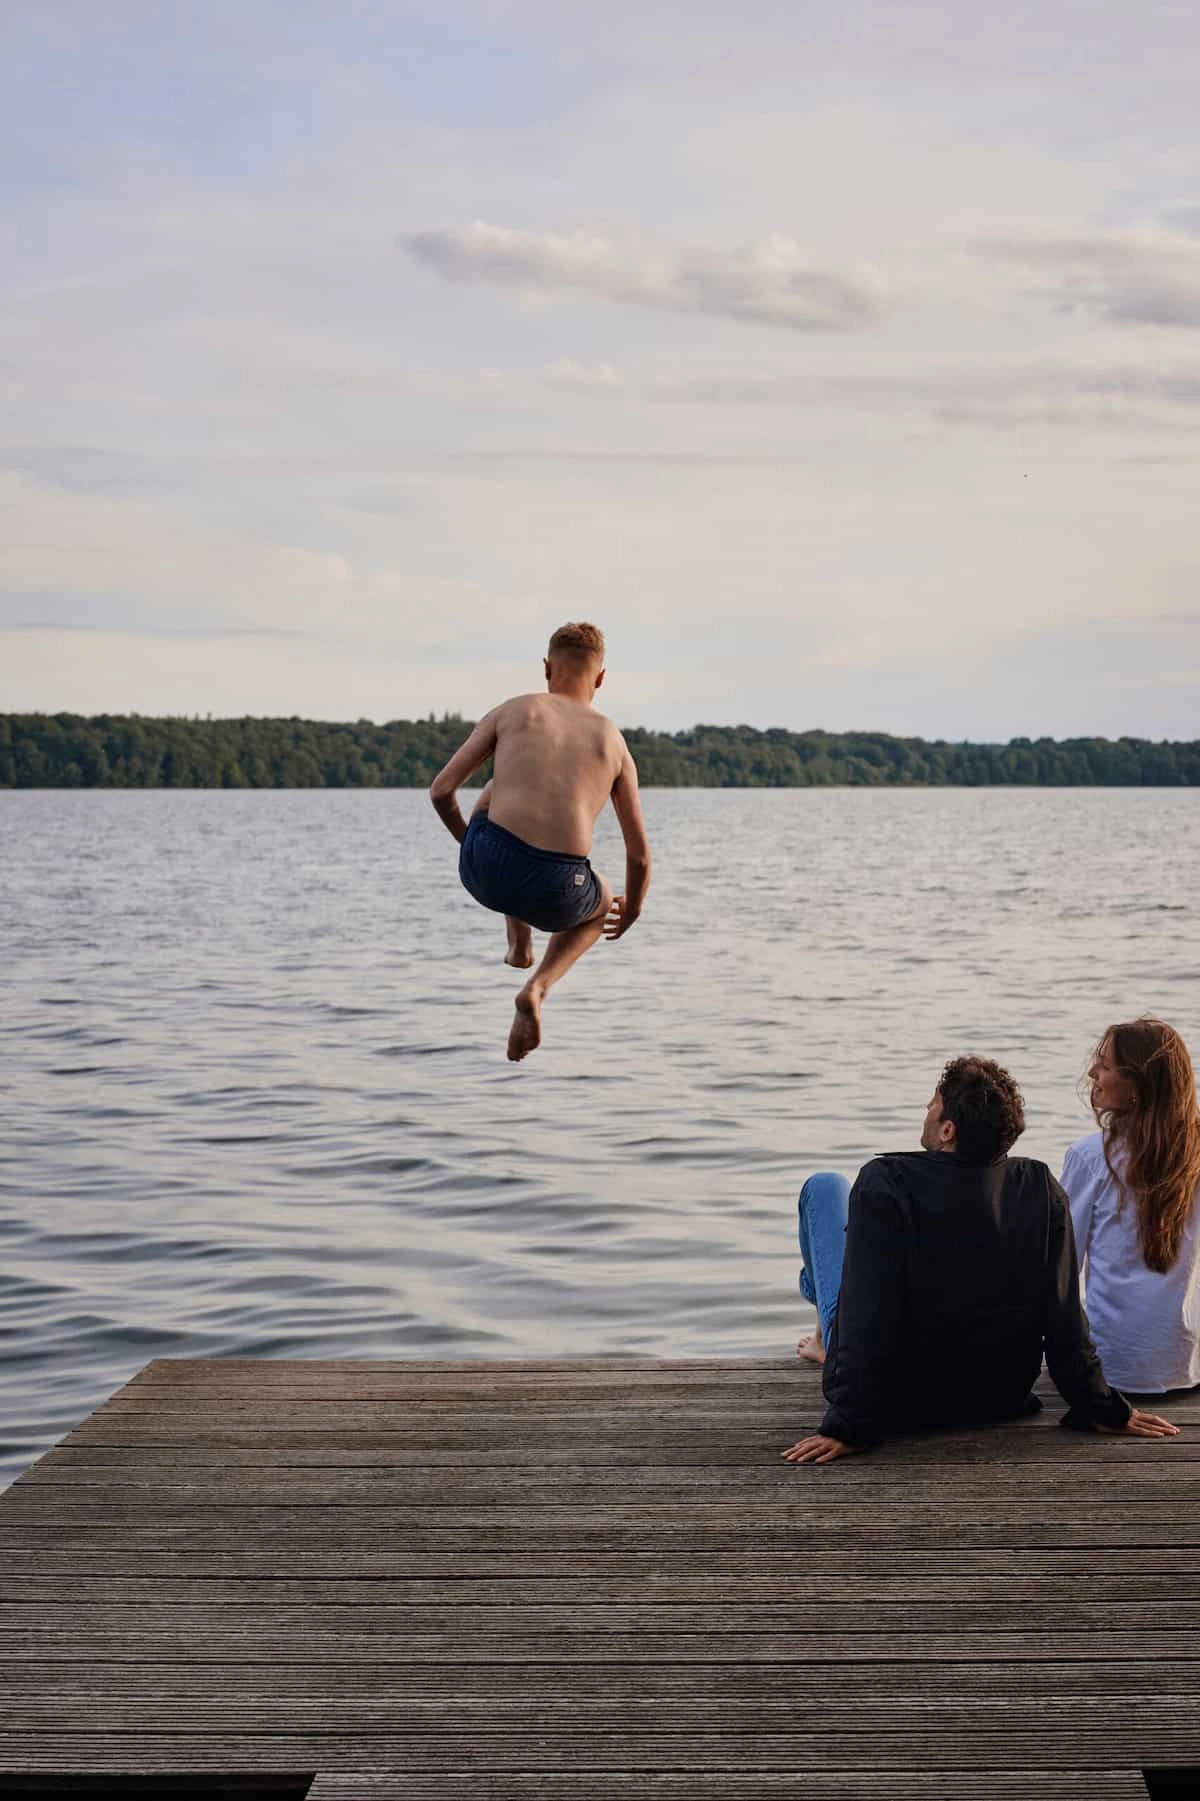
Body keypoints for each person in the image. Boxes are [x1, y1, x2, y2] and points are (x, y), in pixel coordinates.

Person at [783, 1055, 1180, 1465]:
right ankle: (823, 1340)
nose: (926, 1111)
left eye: (932, 1105)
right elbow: (1063, 1315)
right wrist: (1100, 1406)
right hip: (997, 1396)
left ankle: (823, 1340)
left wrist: (849, 1423)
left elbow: (869, 1313)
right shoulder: (1039, 1186)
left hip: (899, 1404)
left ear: (948, 1130)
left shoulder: (886, 1183)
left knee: (824, 1187)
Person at [429, 622, 651, 1062]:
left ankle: (518, 942)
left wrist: (470, 847)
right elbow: (639, 855)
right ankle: (537, 988)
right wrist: (631, 914)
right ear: (601, 679)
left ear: (547, 669)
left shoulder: (515, 710)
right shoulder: (615, 745)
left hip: (486, 867)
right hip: (557, 890)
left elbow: (441, 792)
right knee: (603, 900)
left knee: (496, 792)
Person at [1060, 1018, 1200, 1396]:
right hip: (1187, 1362)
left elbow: (1061, 1264)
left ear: (1136, 1086)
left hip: (1116, 1365)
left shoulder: (1090, 1157)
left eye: (1104, 1065)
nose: (1093, 1071)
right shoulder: (1195, 1154)